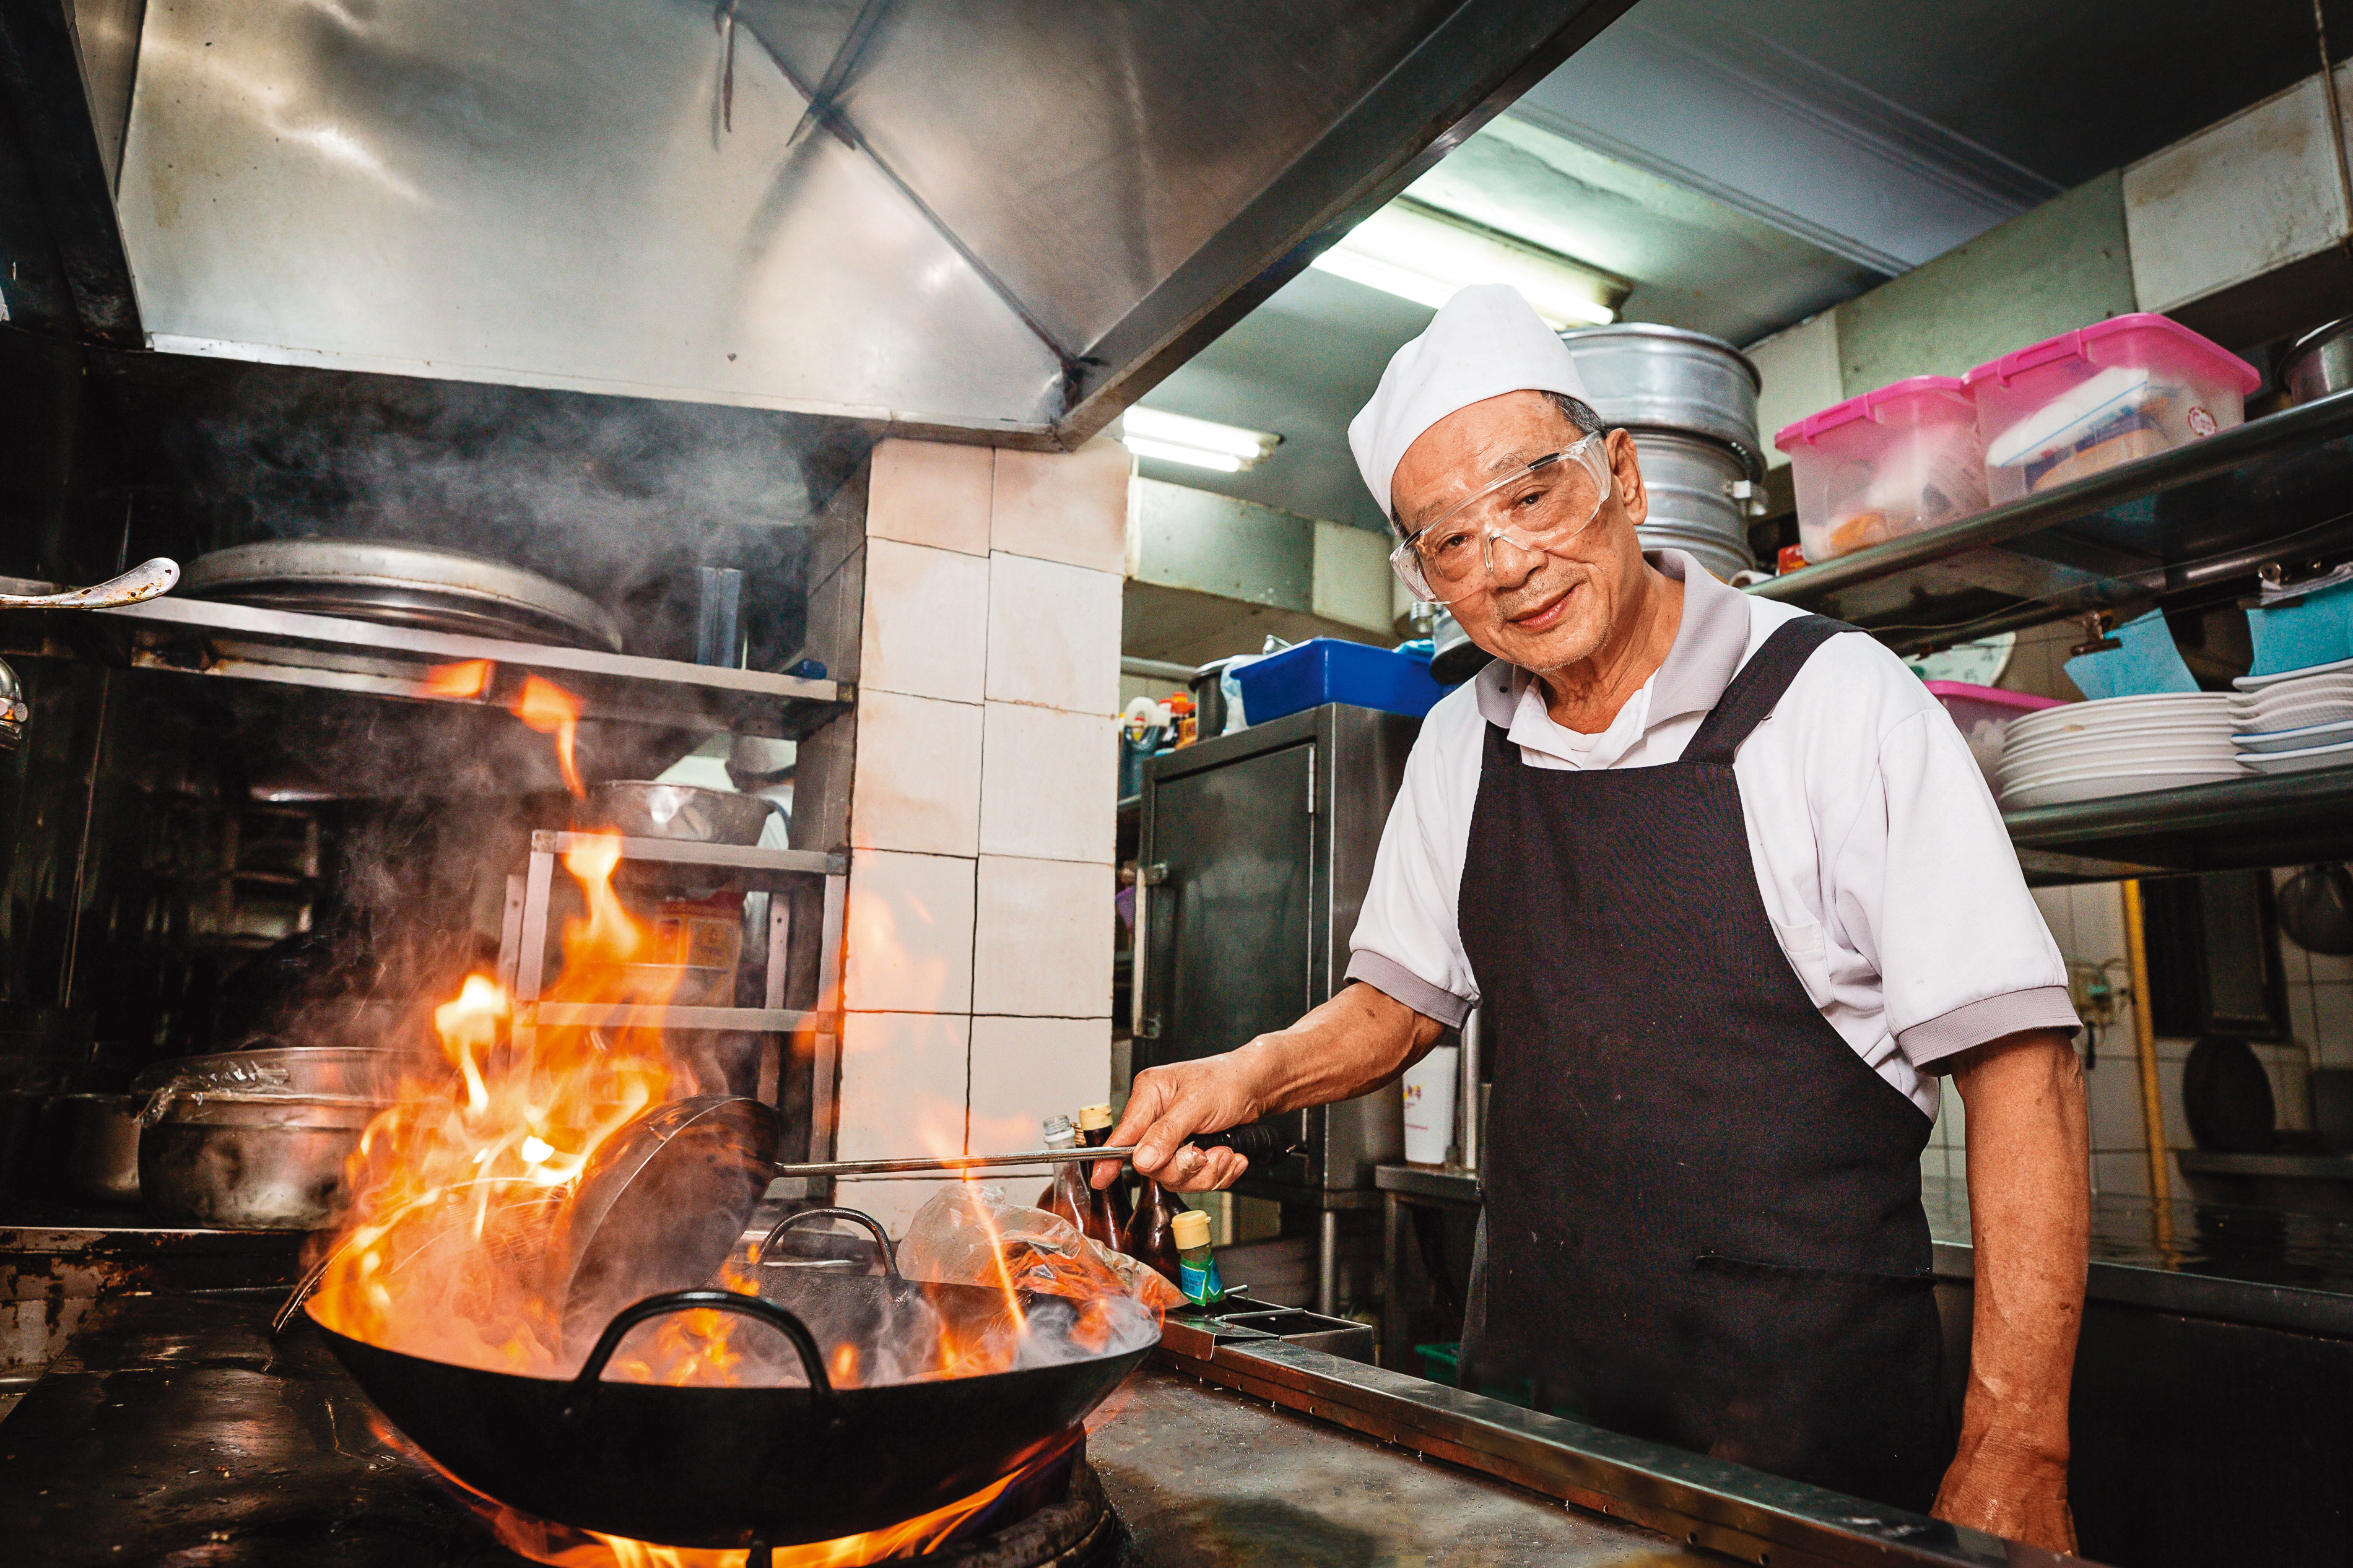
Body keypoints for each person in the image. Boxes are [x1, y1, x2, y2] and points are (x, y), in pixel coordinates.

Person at [1099, 286, 2090, 1551]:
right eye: (1449, 543)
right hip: (1537, 1426)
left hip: (1799, 1436)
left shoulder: (1835, 703)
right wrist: (1239, 1077)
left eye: (1530, 494)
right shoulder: (1462, 739)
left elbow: (2024, 1072)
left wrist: (2015, 1445)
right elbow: (1395, 1007)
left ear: (1619, 474)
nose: (1506, 564)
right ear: (1423, 581)